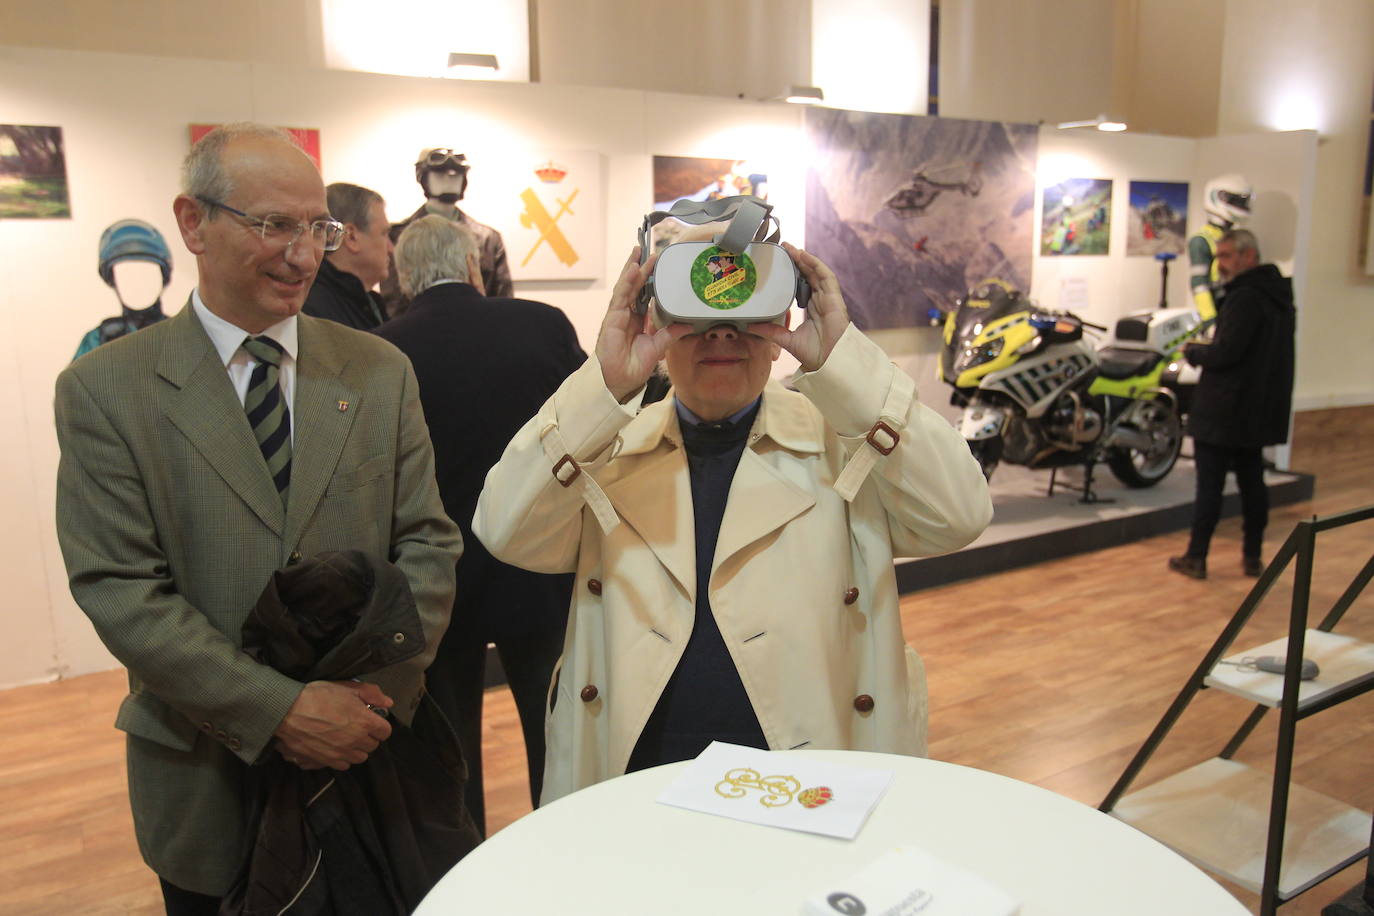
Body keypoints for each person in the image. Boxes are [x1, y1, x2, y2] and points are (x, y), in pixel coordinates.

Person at [53, 123, 463, 914]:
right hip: (208, 777)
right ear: (192, 222)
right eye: (275, 225)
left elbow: (428, 543)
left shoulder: (379, 370)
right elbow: (119, 588)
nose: (304, 254)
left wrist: (364, 701)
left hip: (371, 764)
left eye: (319, 227)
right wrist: (278, 711)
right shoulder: (106, 390)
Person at [473, 240, 993, 804]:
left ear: (780, 331)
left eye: (746, 318)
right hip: (640, 775)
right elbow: (504, 529)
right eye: (692, 320)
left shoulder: (848, 444)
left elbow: (960, 516)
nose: (721, 335)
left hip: (808, 783)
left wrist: (845, 364)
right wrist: (603, 386)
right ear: (655, 325)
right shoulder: (605, 451)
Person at [374, 215, 585, 834]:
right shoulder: (542, 324)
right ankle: (564, 851)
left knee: (453, 746)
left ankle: (464, 868)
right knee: (555, 731)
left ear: (404, 277)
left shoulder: (385, 348)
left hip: (438, 577)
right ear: (474, 265)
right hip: (537, 564)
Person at [1169, 228, 1295, 580]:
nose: (1220, 264)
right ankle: (1252, 556)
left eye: (1225, 256)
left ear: (1248, 256)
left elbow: (1228, 352)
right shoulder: (1277, 295)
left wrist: (1194, 351)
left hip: (1226, 409)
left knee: (1210, 487)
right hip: (1254, 409)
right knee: (1252, 483)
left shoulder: (1245, 298)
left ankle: (1196, 556)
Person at [379, 147, 512, 315]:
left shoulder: (489, 239)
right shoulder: (396, 236)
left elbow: (503, 300)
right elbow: (393, 302)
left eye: (456, 174)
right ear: (422, 177)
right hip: (413, 331)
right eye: (440, 173)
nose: (450, 178)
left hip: (476, 328)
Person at [74, 218, 172, 359]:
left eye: (145, 272)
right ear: (112, 281)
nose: (138, 282)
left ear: (163, 278)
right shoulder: (97, 339)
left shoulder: (183, 335)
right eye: (127, 274)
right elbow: (74, 380)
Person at [300, 181, 392, 330]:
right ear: (351, 237)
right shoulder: (316, 311)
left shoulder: (368, 303)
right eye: (384, 234)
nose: (391, 248)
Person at [1188, 174, 1252, 325]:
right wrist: (1210, 319)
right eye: (1236, 200)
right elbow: (1199, 284)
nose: (1240, 204)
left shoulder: (1236, 237)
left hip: (1235, 307)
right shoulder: (1201, 240)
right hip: (1219, 310)